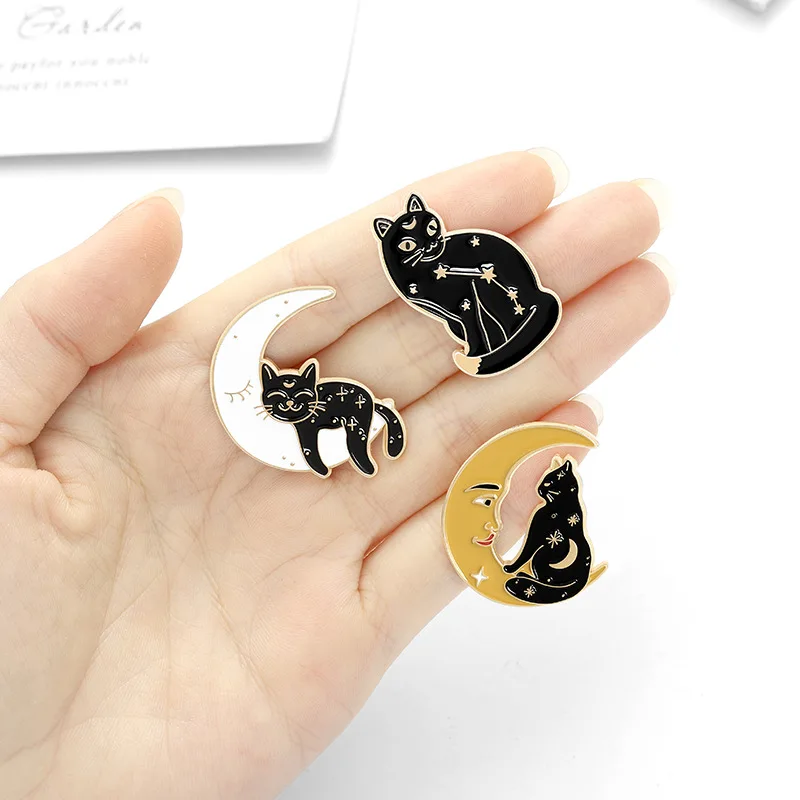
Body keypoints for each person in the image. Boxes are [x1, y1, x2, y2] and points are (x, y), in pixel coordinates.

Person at [0, 151, 672, 799]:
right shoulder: (367, 327)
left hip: (494, 319)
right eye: (409, 241)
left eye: (423, 234)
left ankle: (486, 347)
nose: (421, 245)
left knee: (436, 351)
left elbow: (451, 305)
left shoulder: (436, 270)